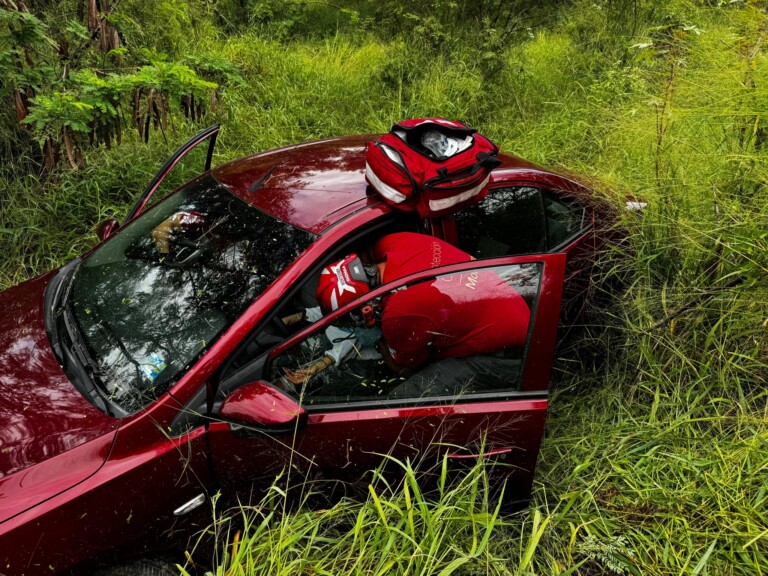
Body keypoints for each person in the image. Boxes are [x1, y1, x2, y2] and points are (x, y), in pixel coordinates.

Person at [282, 232, 531, 389]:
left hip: (515, 346)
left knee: (411, 392)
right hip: (510, 299)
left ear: (367, 309)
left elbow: (403, 366)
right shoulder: (395, 242)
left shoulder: (399, 316)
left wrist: (381, 345)